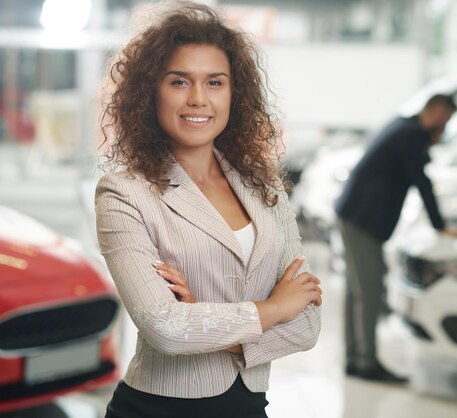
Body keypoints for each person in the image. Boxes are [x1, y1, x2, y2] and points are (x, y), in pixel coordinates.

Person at [95, 4, 322, 417]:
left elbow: (306, 324)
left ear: (234, 92)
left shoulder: (263, 186)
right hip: (155, 409)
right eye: (179, 81)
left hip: (249, 407)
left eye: (214, 82)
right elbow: (164, 327)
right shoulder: (124, 193)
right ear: (151, 91)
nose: (198, 99)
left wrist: (201, 318)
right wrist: (272, 309)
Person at [334, 94, 457, 381]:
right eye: (446, 121)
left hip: (353, 212)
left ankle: (355, 358)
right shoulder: (411, 136)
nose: (444, 129)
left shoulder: (403, 126)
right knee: (368, 289)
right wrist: (440, 226)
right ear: (437, 112)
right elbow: (422, 182)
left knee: (357, 290)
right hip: (363, 219)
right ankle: (365, 361)